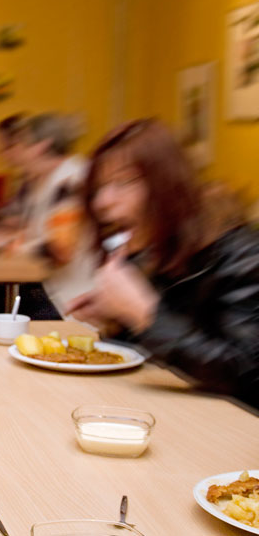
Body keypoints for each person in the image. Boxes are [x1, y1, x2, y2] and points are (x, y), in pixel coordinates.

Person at [66, 119, 259, 410]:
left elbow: (248, 376)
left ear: (168, 184)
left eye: (124, 182)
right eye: (99, 188)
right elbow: (164, 358)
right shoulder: (155, 250)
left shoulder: (244, 255)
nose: (102, 202)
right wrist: (119, 322)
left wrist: (144, 313)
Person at [0, 112, 96, 318]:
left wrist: (3, 246)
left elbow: (60, 249)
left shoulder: (71, 180)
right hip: (51, 288)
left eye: (20, 145)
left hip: (68, 300)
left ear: (41, 147)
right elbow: (35, 235)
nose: (15, 154)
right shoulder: (45, 181)